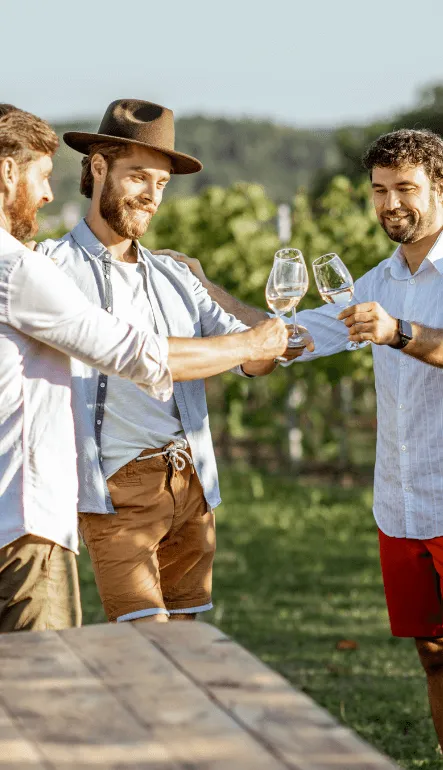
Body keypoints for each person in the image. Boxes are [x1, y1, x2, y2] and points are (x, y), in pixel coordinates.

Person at [168, 128, 443, 747]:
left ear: (439, 188)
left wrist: (400, 332)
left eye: (406, 188)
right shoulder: (376, 281)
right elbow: (292, 337)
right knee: (432, 650)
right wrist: (204, 288)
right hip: (402, 506)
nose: (390, 203)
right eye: (379, 191)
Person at [0, 106, 289, 633]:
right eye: (138, 176)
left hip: (191, 481)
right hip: (115, 488)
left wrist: (213, 290)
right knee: (144, 646)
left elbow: (257, 358)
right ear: (99, 168)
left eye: (161, 183)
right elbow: (136, 354)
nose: (152, 196)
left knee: (189, 645)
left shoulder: (175, 275)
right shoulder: (48, 268)